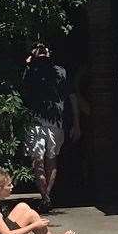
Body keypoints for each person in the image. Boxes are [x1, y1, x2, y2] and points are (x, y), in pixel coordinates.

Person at [21, 43, 72, 211]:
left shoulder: (59, 71)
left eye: (44, 49)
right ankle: (45, 196)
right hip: (35, 121)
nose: (41, 51)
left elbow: (69, 95)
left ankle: (46, 196)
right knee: (37, 161)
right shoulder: (30, 71)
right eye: (38, 49)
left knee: (51, 159)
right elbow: (22, 89)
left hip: (55, 121)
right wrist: (28, 63)